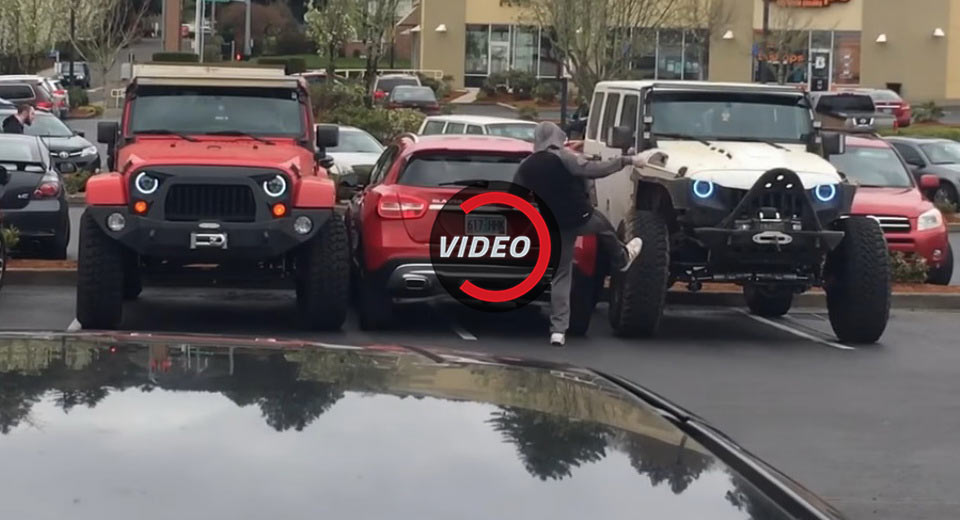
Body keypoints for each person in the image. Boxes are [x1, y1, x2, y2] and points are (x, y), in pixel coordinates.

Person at [514, 122, 667, 347]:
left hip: (552, 225)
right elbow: (594, 170)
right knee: (605, 227)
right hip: (580, 216)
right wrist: (627, 160)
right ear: (558, 137)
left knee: (561, 276)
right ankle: (622, 258)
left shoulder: (526, 165)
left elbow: (515, 195)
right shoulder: (564, 157)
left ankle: (558, 331)